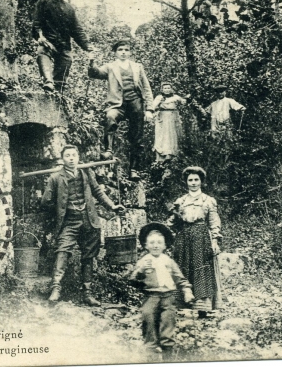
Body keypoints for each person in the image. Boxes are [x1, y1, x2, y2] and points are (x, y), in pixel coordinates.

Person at [41, 145, 125, 305]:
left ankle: (88, 293)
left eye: (74, 155)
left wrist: (112, 206)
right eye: (67, 156)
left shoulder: (86, 173)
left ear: (78, 157)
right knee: (63, 250)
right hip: (69, 221)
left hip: (88, 219)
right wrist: (59, 208)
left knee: (88, 256)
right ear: (62, 159)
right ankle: (56, 288)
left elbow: (98, 192)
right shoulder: (55, 178)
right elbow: (45, 201)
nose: (71, 158)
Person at [88, 39, 154, 180]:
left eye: (126, 50)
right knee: (110, 117)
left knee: (137, 137)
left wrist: (149, 109)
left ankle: (134, 169)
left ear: (130, 52)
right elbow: (95, 73)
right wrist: (92, 62)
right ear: (115, 52)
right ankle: (108, 150)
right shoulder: (111, 67)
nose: (123, 52)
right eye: (120, 50)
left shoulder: (137, 67)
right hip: (118, 104)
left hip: (136, 103)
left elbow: (147, 88)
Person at [128, 222, 194, 353]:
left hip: (168, 296)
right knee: (148, 317)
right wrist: (141, 271)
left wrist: (187, 290)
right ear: (146, 245)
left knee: (168, 320)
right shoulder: (144, 261)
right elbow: (133, 279)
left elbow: (179, 278)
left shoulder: (168, 261)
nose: (155, 246)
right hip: (151, 296)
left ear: (164, 245)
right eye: (152, 243)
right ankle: (150, 346)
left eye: (159, 243)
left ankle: (167, 345)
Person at [167, 166, 223, 317]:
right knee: (182, 268)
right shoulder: (180, 201)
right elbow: (172, 223)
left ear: (201, 181)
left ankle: (202, 306)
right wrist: (173, 218)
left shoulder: (208, 201)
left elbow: (214, 222)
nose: (193, 183)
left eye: (196, 180)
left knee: (201, 269)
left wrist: (215, 241)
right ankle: (182, 305)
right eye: (190, 180)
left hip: (201, 238)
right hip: (183, 238)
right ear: (186, 182)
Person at [32, 0, 92, 92]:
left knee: (66, 62)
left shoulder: (69, 8)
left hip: (63, 45)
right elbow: (36, 23)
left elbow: (76, 30)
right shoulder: (43, 2)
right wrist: (39, 37)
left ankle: (58, 92)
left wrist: (87, 46)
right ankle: (48, 81)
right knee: (42, 53)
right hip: (47, 41)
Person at [150, 83, 187, 162]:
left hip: (173, 117)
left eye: (168, 88)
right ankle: (161, 155)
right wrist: (159, 103)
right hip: (162, 117)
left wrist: (185, 99)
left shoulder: (175, 97)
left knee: (172, 134)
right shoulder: (159, 97)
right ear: (162, 89)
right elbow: (153, 106)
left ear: (171, 89)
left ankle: (171, 154)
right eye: (165, 88)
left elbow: (183, 102)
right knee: (161, 135)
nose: (167, 90)